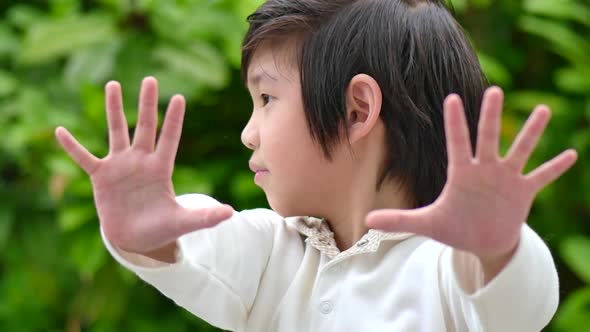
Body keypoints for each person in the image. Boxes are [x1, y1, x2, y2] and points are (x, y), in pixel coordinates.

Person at [55, 0, 578, 331]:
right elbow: (203, 239)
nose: (247, 131)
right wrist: (148, 231)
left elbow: (518, 307)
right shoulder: (273, 253)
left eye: (266, 99)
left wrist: (498, 249)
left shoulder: (449, 268)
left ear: (357, 111)